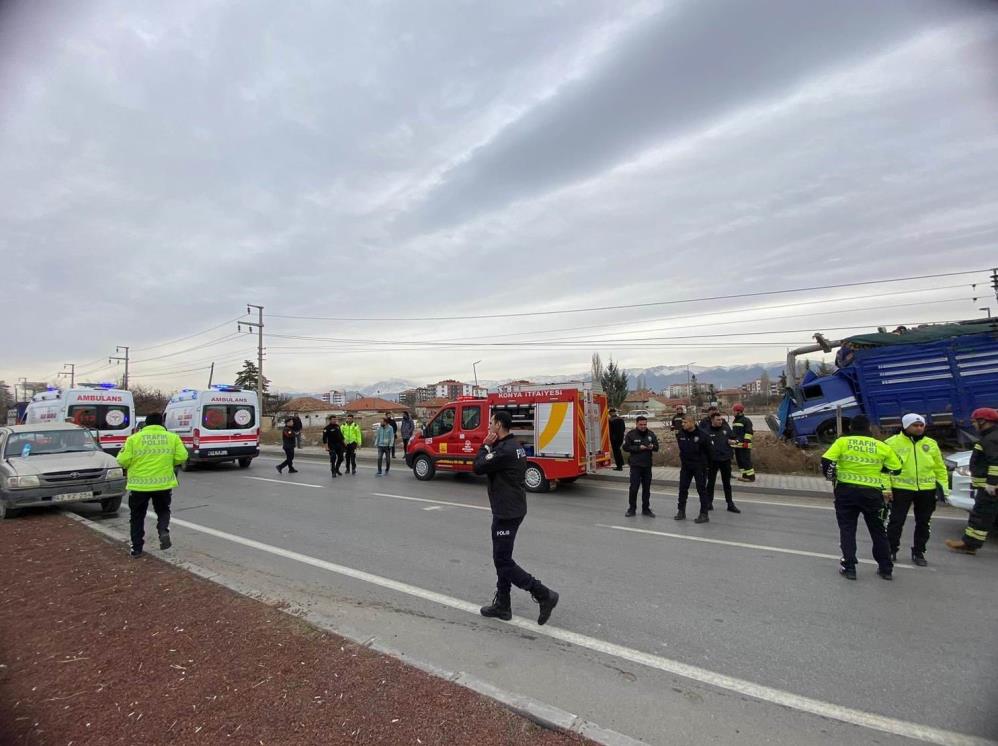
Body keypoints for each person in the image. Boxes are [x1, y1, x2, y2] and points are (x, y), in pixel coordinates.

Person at [474, 410, 559, 625]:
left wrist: (485, 445)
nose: (489, 426)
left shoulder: (504, 450)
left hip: (507, 512)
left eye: (491, 422)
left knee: (502, 561)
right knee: (502, 558)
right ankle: (503, 605)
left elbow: (478, 467)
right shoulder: (515, 446)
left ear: (499, 425)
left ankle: (543, 594)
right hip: (512, 508)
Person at [821, 414, 901, 580]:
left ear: (851, 428)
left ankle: (849, 567)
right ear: (869, 428)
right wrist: (880, 470)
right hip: (872, 494)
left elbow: (827, 460)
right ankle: (886, 568)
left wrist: (831, 476)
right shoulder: (881, 446)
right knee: (878, 530)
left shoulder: (842, 442)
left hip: (846, 492)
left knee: (848, 529)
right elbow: (897, 468)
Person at [115, 412, 188, 558]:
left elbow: (122, 461)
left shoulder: (133, 439)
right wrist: (168, 462)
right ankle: (163, 530)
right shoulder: (172, 438)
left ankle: (137, 548)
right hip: (163, 484)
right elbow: (182, 457)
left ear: (146, 424)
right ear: (162, 423)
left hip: (139, 486)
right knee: (163, 510)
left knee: (137, 517)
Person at [884, 413, 948, 566]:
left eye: (921, 425)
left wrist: (943, 488)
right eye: (915, 425)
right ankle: (891, 550)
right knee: (896, 521)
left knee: (924, 522)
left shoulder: (931, 443)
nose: (919, 428)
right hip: (901, 488)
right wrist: (886, 488)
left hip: (927, 489)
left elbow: (940, 467)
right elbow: (884, 468)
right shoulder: (891, 443)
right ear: (906, 426)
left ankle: (919, 552)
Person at [945, 407, 998, 556]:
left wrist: (992, 484)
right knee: (982, 515)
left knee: (980, 515)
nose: (973, 425)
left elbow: (995, 463)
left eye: (975, 421)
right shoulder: (991, 436)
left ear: (984, 422)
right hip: (987, 486)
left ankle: (969, 544)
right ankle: (970, 543)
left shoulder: (991, 439)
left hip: (990, 487)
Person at [675, 414, 712, 523]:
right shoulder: (681, 434)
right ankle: (681, 511)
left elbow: (709, 452)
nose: (683, 424)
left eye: (685, 422)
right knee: (682, 489)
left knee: (701, 490)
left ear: (692, 423)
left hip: (699, 466)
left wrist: (707, 467)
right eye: (682, 422)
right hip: (686, 466)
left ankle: (704, 514)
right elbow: (681, 449)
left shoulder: (703, 435)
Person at [703, 412, 740, 514]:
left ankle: (730, 504)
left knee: (727, 483)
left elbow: (735, 438)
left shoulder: (726, 429)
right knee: (710, 483)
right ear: (712, 420)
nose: (720, 421)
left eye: (721, 420)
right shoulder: (706, 431)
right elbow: (702, 447)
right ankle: (709, 503)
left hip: (725, 460)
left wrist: (734, 441)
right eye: (718, 420)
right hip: (712, 461)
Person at [623, 416, 659, 517]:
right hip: (635, 466)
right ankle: (632, 509)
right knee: (634, 488)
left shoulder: (651, 434)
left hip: (647, 466)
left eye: (645, 424)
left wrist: (652, 447)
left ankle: (646, 509)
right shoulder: (631, 434)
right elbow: (625, 447)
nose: (643, 426)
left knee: (646, 489)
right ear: (636, 424)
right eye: (641, 425)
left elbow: (657, 448)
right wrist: (639, 448)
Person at [731, 403, 755, 482]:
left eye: (734, 411)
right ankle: (745, 476)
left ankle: (751, 477)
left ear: (739, 411)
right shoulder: (735, 421)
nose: (733, 412)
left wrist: (746, 442)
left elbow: (749, 433)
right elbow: (735, 433)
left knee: (745, 461)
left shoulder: (746, 420)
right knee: (740, 462)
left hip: (744, 445)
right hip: (737, 445)